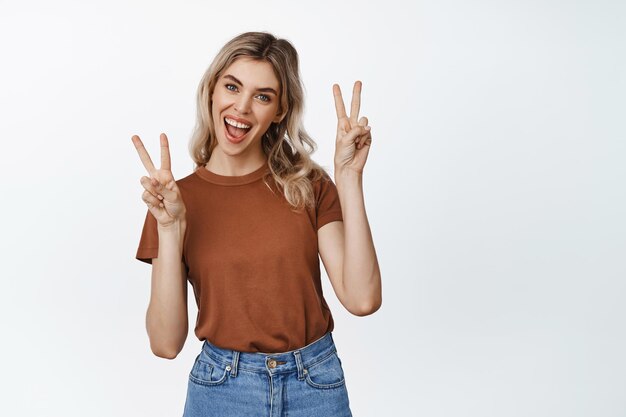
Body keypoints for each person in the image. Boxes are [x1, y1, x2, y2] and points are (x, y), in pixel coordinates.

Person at [131, 31, 381, 417]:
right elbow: (165, 344)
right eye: (232, 86)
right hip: (222, 389)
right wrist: (169, 229)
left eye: (263, 96)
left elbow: (362, 299)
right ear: (212, 91)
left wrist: (348, 177)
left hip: (314, 384)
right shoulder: (174, 203)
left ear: (280, 111)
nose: (243, 107)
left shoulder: (309, 186)